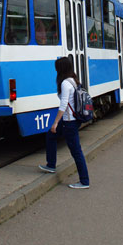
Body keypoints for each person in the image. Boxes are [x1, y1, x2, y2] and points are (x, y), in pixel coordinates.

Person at [39, 57, 90, 189]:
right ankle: (51, 165)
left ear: (60, 69)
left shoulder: (65, 84)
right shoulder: (73, 80)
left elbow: (63, 105)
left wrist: (55, 122)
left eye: (56, 67)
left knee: (76, 151)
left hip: (69, 122)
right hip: (70, 121)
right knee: (50, 135)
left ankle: (84, 181)